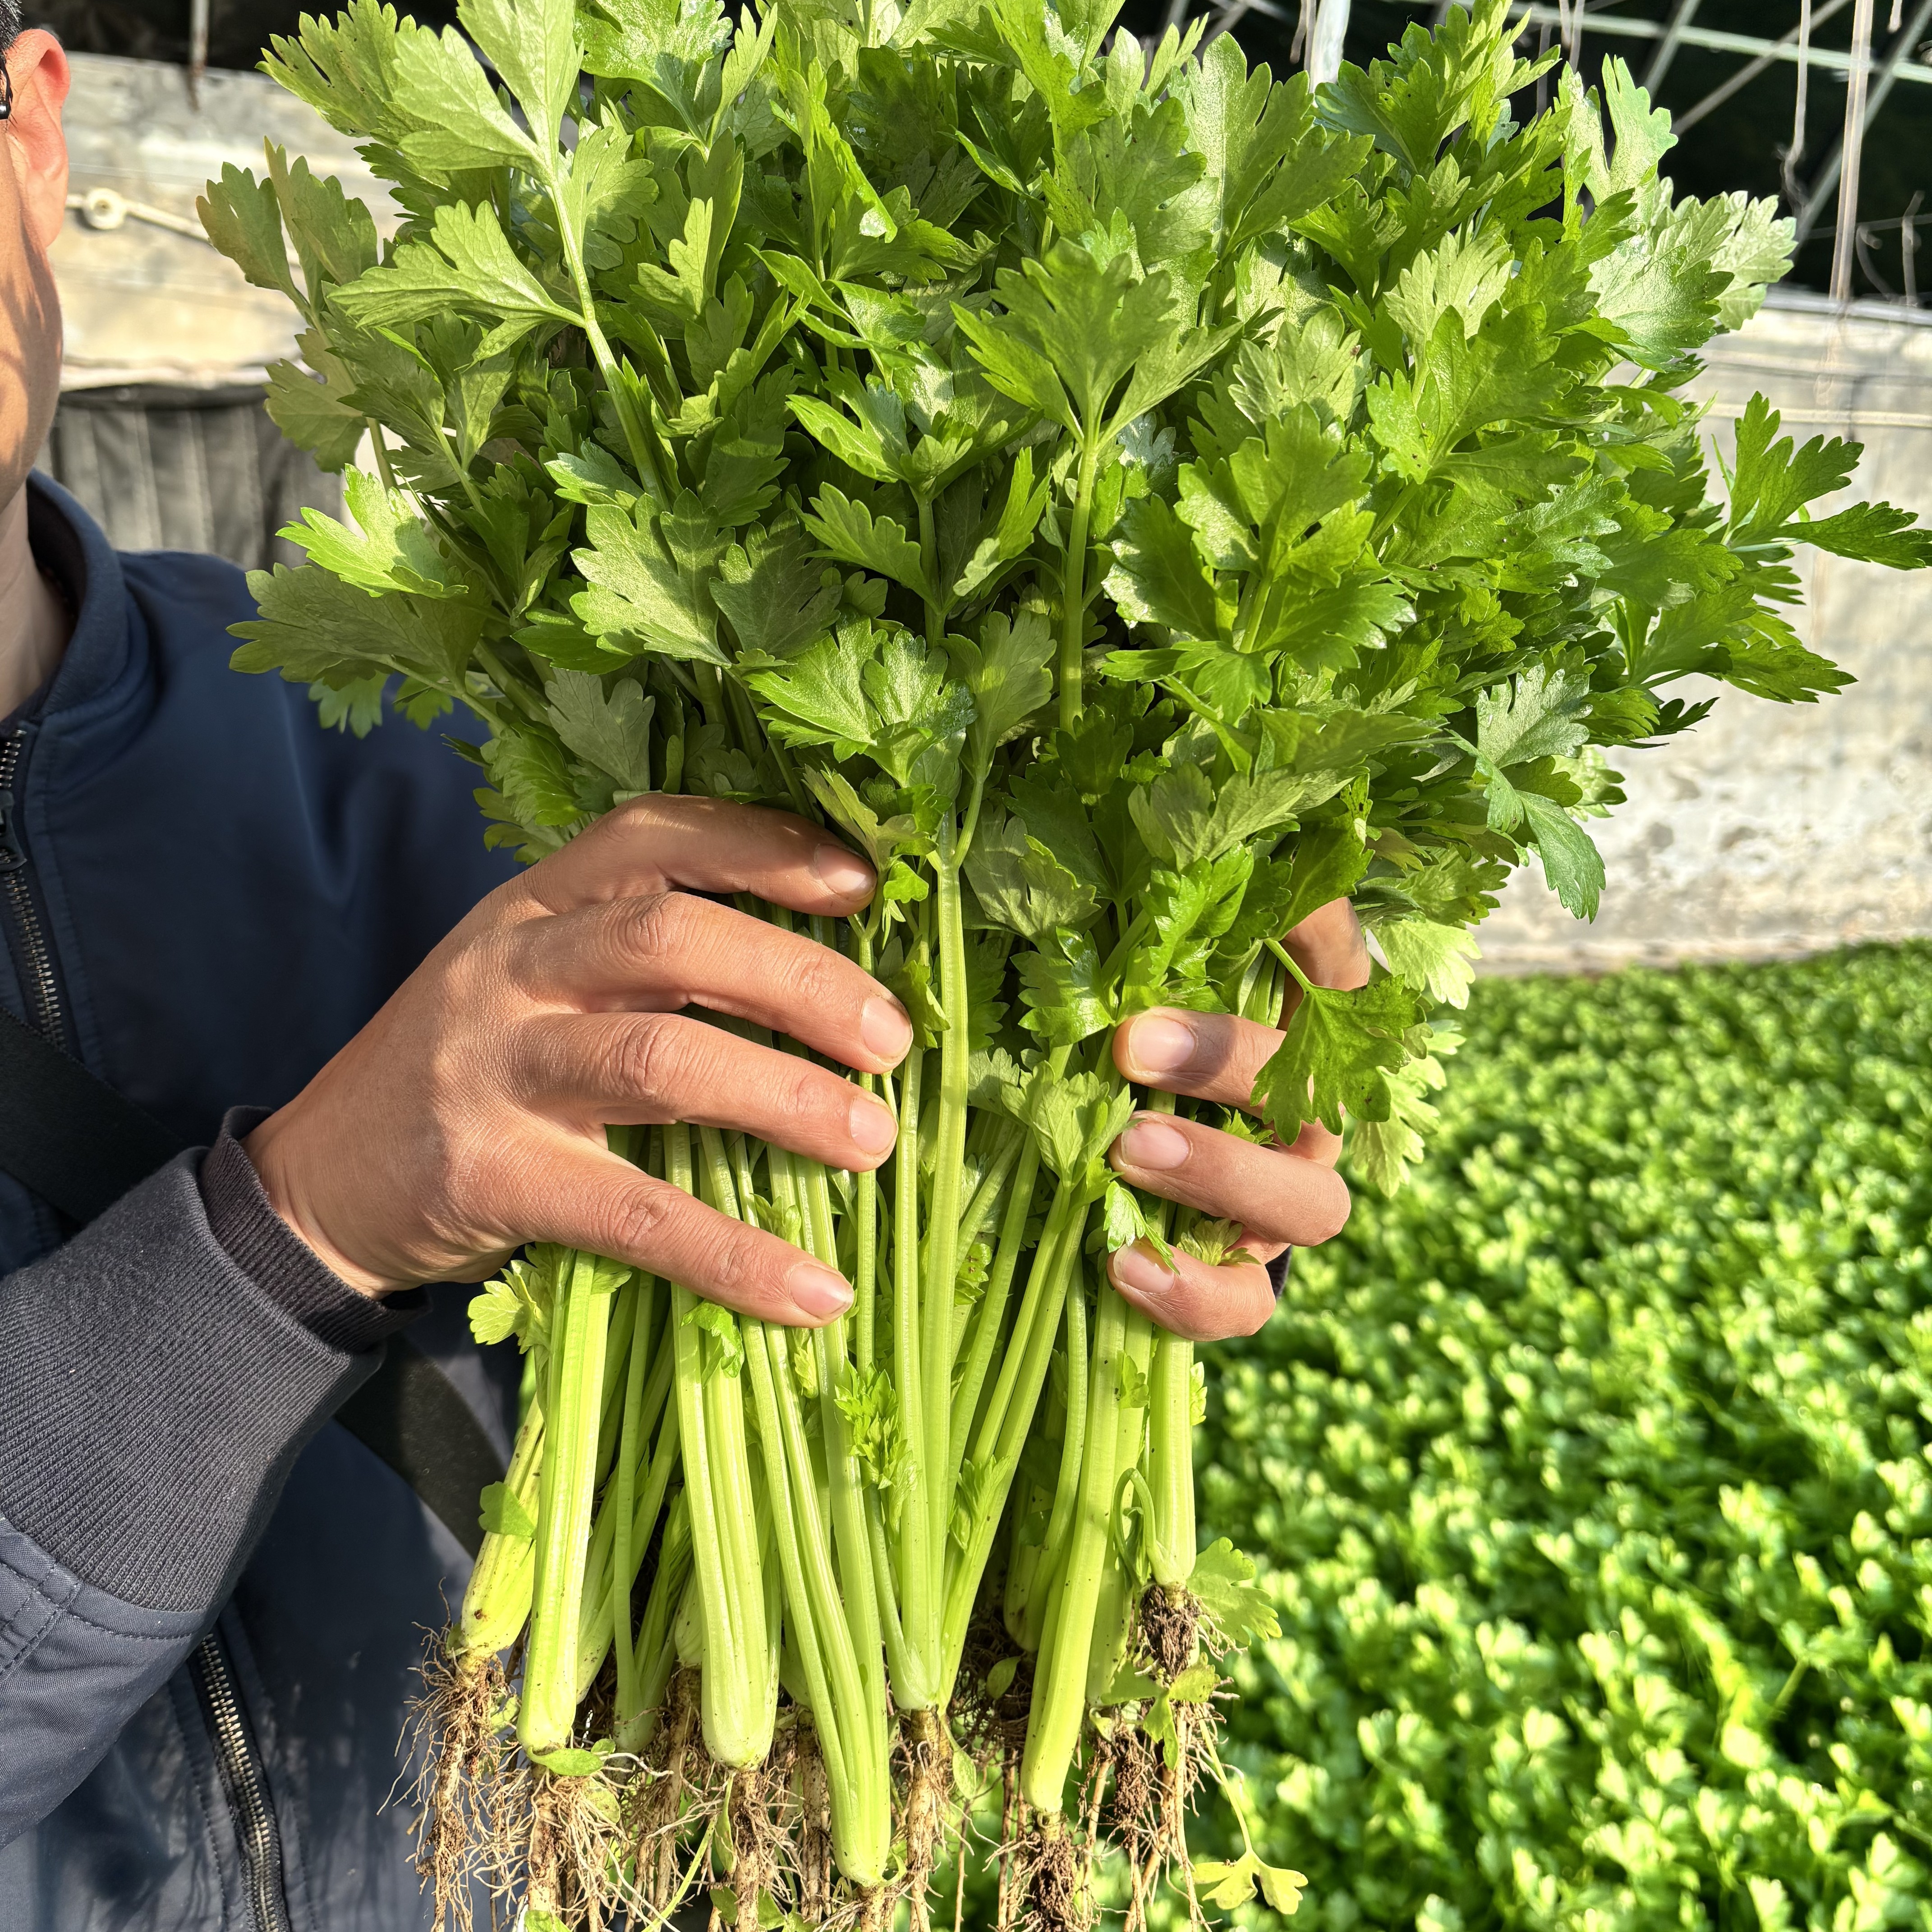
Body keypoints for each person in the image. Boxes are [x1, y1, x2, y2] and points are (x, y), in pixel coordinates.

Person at [0, 14, 1365, 1927]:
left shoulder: (408, 727)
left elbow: (833, 1181)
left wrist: (1140, 1150)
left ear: (35, 134)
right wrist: (286, 1238)